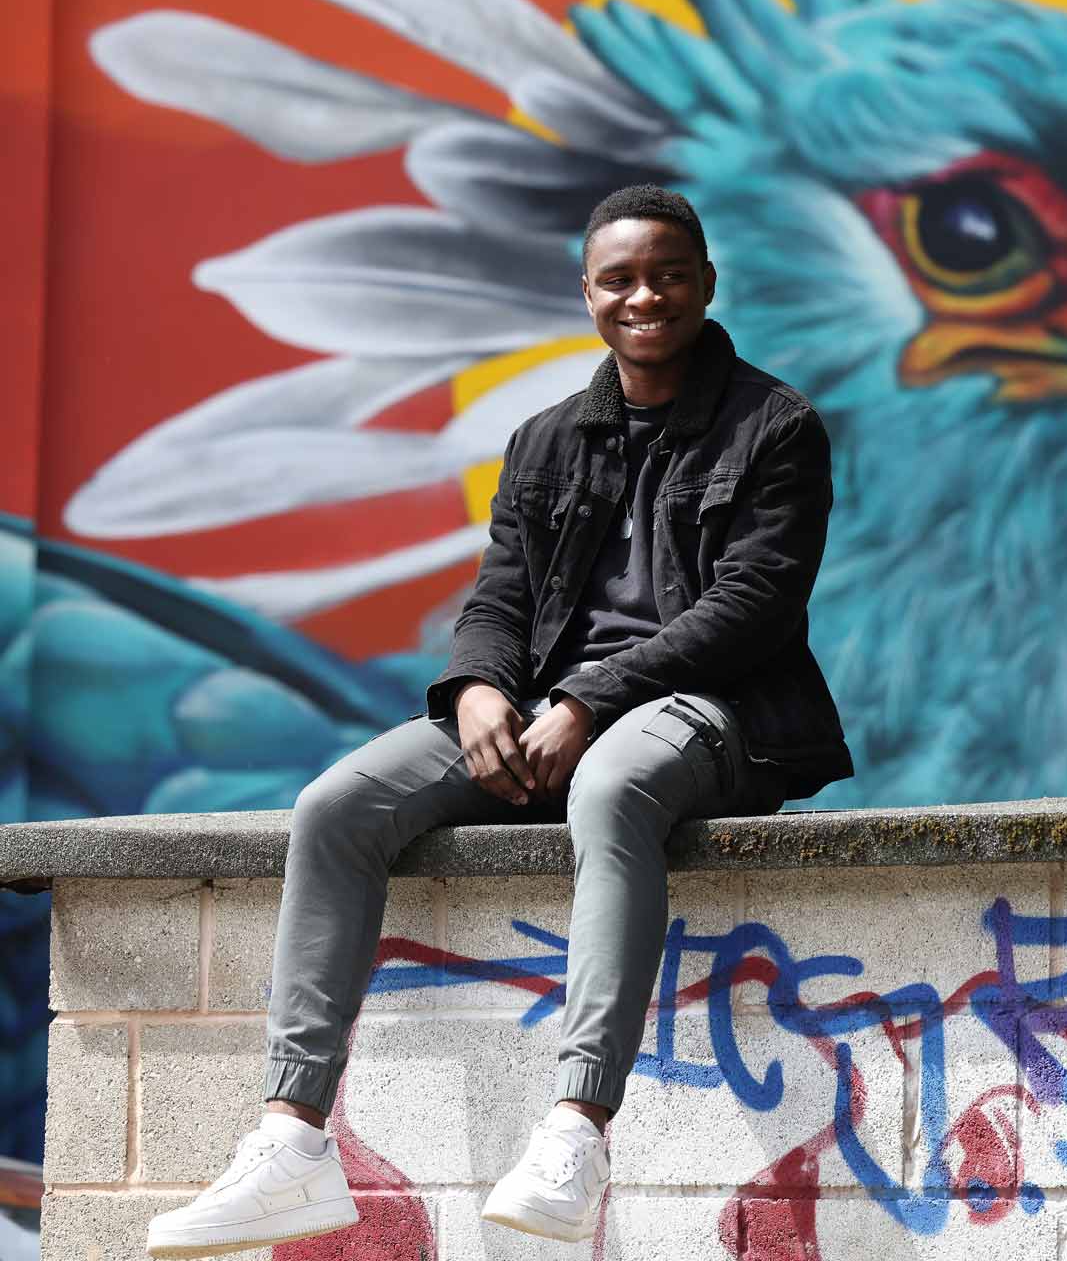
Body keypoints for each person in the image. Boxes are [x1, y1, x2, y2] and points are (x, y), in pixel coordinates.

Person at [145, 184, 852, 1257]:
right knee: (336, 804)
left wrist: (587, 701)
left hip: (714, 708)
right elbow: (501, 598)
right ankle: (291, 1138)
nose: (644, 295)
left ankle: (577, 1129)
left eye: (667, 273)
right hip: (545, 707)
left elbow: (749, 610)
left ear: (707, 284)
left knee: (614, 787)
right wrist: (480, 690)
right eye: (619, 278)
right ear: (588, 294)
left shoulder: (775, 426)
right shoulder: (545, 441)